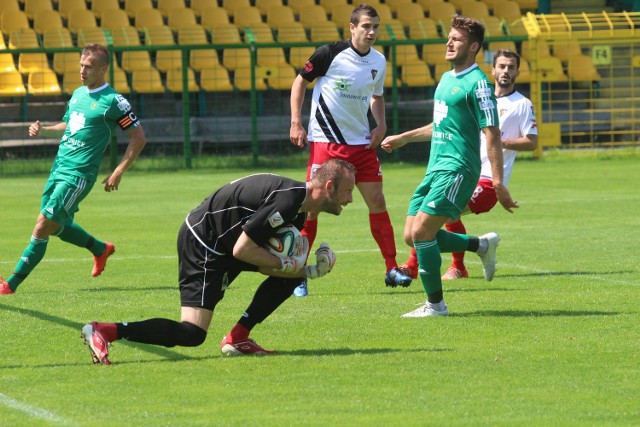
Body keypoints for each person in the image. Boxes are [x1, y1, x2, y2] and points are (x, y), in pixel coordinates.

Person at [81, 159, 356, 364]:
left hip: (227, 243)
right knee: (192, 333)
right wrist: (289, 266)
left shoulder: (297, 209)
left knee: (291, 275)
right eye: (347, 191)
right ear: (329, 186)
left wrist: (307, 270)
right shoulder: (288, 202)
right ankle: (105, 330)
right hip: (204, 241)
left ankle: (238, 338)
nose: (350, 199)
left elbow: (263, 263)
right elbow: (243, 250)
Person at [380, 16, 518, 317]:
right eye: (449, 37)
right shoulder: (446, 79)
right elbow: (440, 125)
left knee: (422, 233)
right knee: (411, 235)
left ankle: (435, 305)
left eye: (456, 39)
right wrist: (405, 138)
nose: (449, 42)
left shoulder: (479, 84)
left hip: (458, 169)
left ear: (473, 47)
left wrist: (497, 182)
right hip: (435, 168)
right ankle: (480, 246)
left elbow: (492, 133)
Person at [0, 43, 146, 295]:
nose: (82, 71)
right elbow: (68, 126)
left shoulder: (114, 102)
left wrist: (119, 170)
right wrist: (43, 130)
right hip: (58, 170)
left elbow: (138, 138)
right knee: (55, 226)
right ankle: (100, 249)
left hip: (79, 175)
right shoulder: (78, 94)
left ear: (103, 69)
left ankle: (10, 285)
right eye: (81, 65)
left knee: (42, 226)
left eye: (88, 67)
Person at [289, 3, 412, 297]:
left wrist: (380, 124)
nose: (371, 32)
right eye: (366, 26)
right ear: (352, 28)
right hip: (326, 142)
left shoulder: (379, 61)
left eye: (376, 27)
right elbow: (299, 83)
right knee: (312, 209)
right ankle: (296, 275)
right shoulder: (328, 54)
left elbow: (376, 97)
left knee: (378, 201)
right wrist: (296, 121)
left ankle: (391, 269)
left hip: (361, 144)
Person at [398, 49, 538, 281]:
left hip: (485, 179)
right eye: (501, 66)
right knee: (437, 216)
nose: (506, 71)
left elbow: (532, 142)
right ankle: (462, 263)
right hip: (460, 172)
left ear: (517, 72)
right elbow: (442, 126)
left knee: (432, 217)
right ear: (493, 70)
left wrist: (498, 139)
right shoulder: (477, 97)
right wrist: (405, 137)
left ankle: (421, 266)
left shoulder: (521, 104)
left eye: (511, 67)